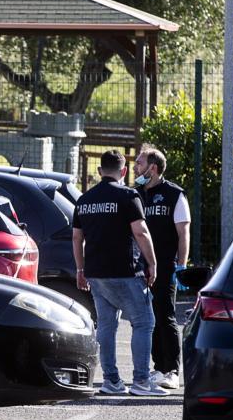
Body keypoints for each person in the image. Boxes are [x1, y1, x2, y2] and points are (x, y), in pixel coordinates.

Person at [72, 150, 167, 396]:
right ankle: (141, 381)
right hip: (126, 271)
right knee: (144, 322)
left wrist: (80, 269)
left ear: (100, 171)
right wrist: (153, 263)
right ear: (123, 171)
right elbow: (141, 232)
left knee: (106, 325)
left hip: (96, 273)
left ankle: (111, 381)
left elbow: (76, 237)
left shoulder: (84, 199)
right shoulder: (128, 196)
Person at [133, 146, 190, 391]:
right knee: (147, 317)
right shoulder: (134, 194)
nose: (135, 167)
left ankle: (172, 370)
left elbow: (183, 232)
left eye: (139, 162)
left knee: (165, 314)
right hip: (137, 267)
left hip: (165, 265)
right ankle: (157, 367)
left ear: (152, 168)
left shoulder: (174, 194)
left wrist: (182, 265)